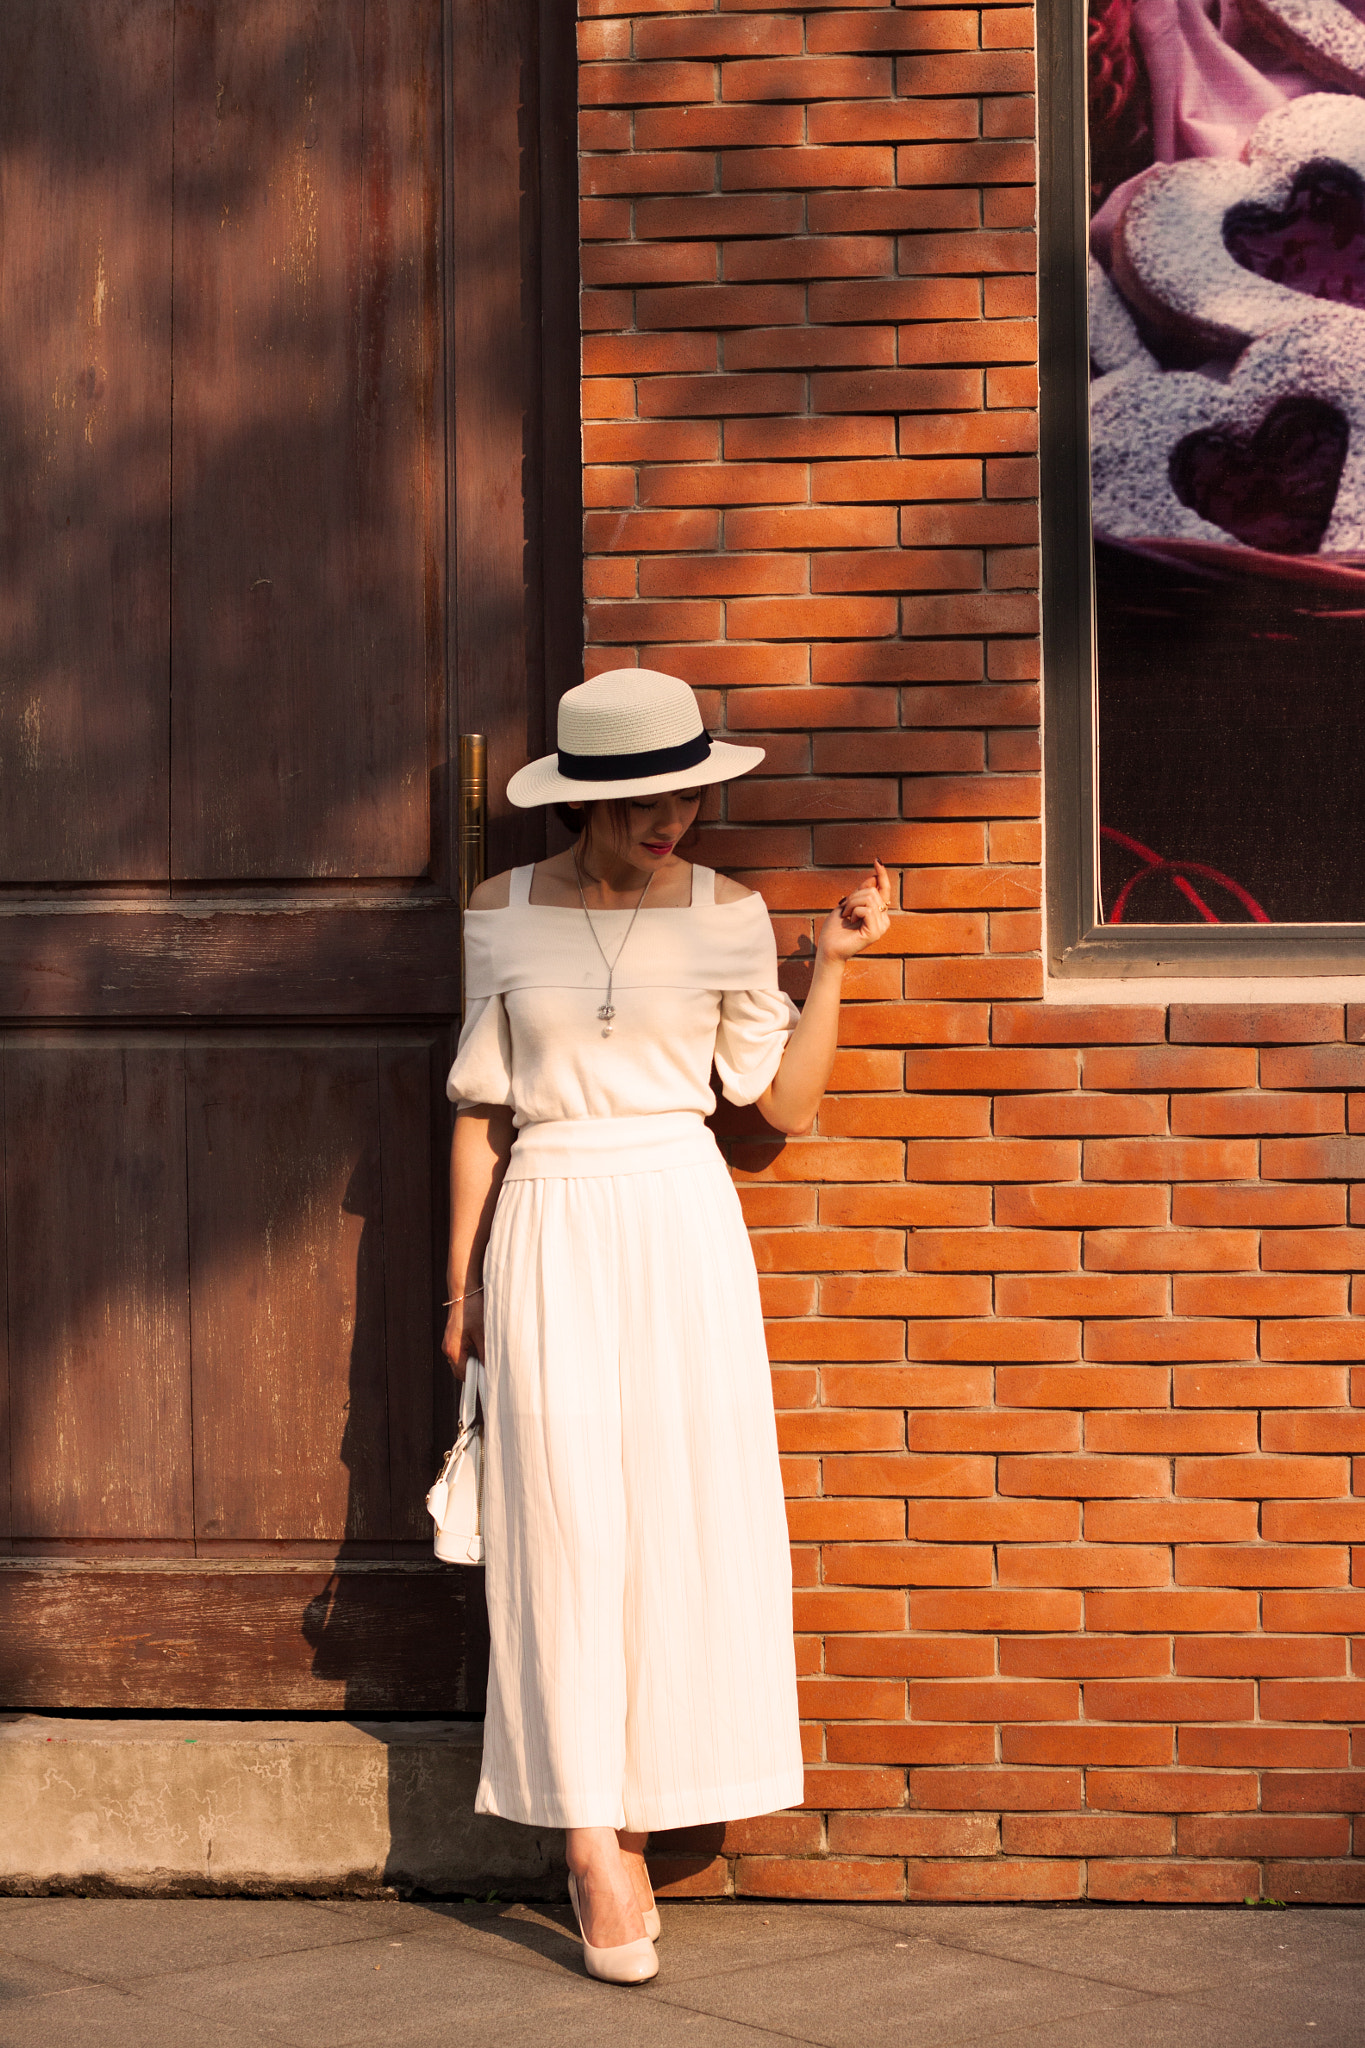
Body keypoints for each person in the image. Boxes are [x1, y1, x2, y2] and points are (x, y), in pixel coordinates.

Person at [442, 666, 891, 1985]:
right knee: (562, 1525)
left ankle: (655, 1786)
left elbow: (777, 1107)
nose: (671, 818)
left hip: (681, 1221)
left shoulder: (730, 917)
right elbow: (479, 1108)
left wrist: (833, 973)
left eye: (688, 791)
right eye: (643, 798)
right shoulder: (499, 911)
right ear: (582, 798)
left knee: (684, 1516)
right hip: (549, 1213)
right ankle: (590, 1841)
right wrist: (460, 1293)